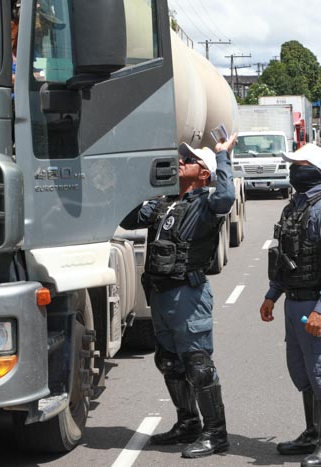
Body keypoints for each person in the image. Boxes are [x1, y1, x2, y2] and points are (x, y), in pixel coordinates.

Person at [120, 134, 237, 458]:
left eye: (190, 159)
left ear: (204, 174)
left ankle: (216, 434)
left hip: (187, 294)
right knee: (169, 362)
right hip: (160, 294)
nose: (181, 160)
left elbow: (227, 195)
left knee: (198, 365)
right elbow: (127, 218)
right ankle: (188, 423)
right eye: (182, 156)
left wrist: (222, 156)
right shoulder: (164, 202)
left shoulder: (208, 203)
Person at [260, 144, 321, 467]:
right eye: (291, 165)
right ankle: (313, 434)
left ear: (314, 168)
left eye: (298, 164)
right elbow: (286, 261)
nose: (292, 170)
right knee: (303, 371)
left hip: (317, 309)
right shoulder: (292, 209)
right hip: (294, 307)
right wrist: (272, 295)